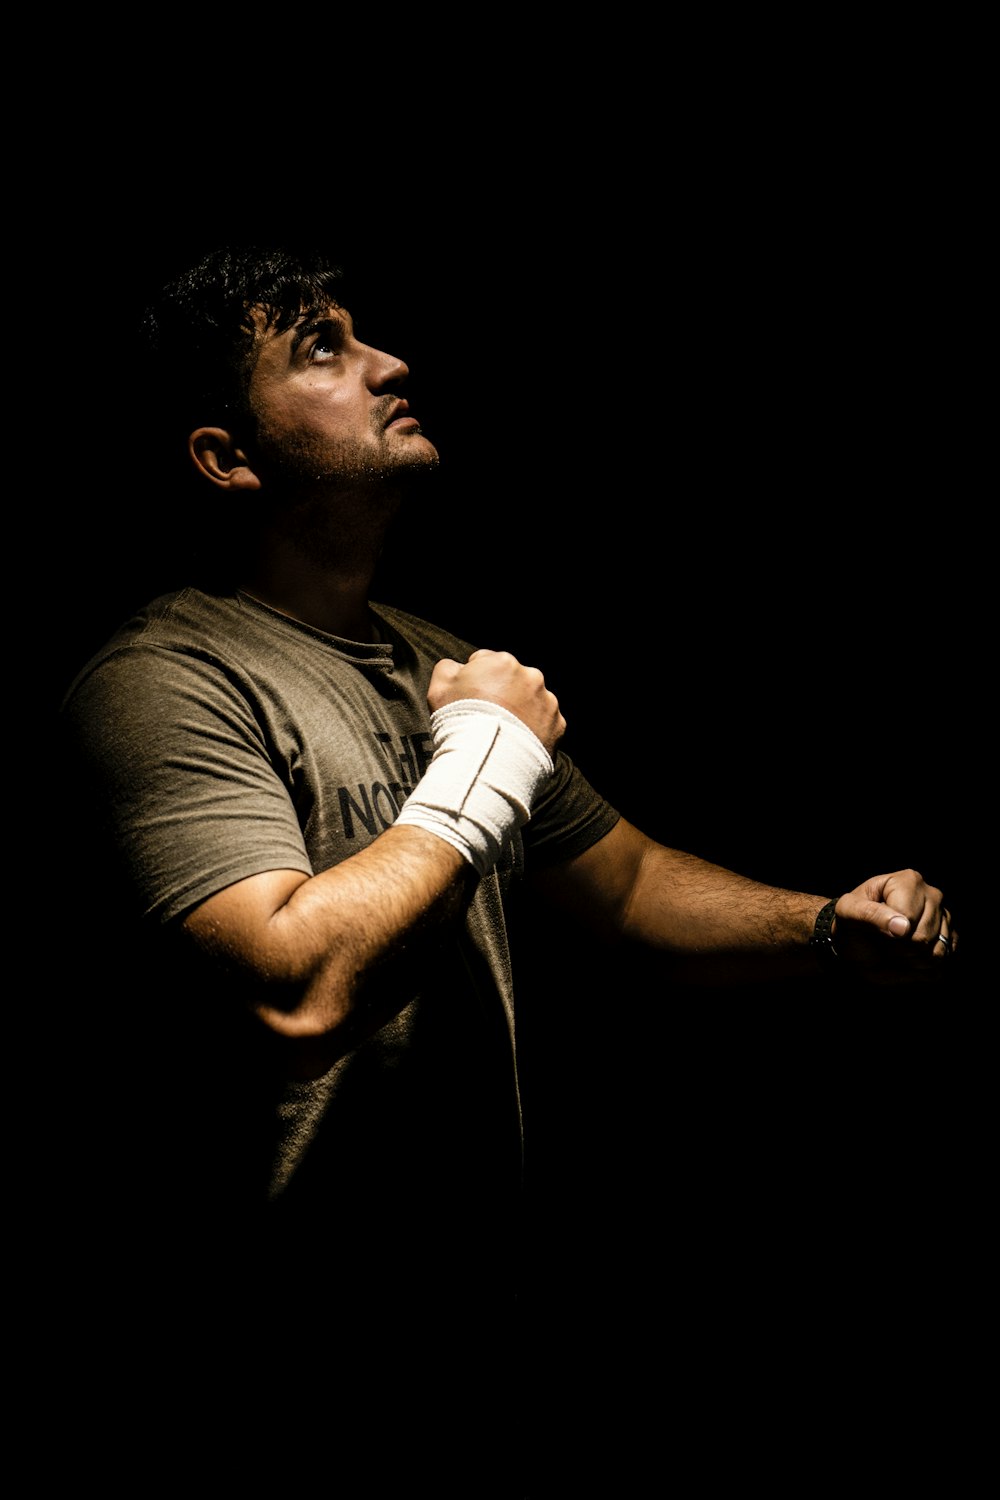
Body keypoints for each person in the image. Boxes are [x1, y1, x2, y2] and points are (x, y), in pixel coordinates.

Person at [54, 244, 959, 1482]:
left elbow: (633, 889)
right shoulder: (164, 682)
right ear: (226, 457)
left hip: (472, 1335)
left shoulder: (443, 659)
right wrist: (482, 757)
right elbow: (290, 984)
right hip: (260, 1367)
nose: (389, 363)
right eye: (322, 348)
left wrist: (822, 926)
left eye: (363, 334)